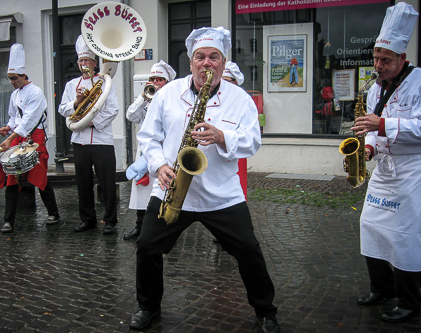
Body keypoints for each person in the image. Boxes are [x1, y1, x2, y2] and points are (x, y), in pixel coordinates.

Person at [129, 27, 279, 333]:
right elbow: (149, 137)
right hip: (171, 187)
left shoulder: (240, 99)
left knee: (248, 250)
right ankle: (148, 306)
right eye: (200, 57)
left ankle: (265, 311)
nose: (206, 63)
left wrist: (223, 136)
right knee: (147, 246)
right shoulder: (168, 94)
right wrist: (158, 166)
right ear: (191, 61)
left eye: (214, 57)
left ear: (222, 63)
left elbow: (253, 141)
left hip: (222, 194)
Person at [351, 2, 421, 323]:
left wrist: (381, 126)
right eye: (376, 58)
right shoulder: (374, 88)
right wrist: (366, 149)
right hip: (383, 171)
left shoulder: (418, 82)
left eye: (386, 60)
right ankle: (382, 288)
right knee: (370, 225)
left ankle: (410, 301)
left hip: (411, 172)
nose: (378, 65)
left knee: (405, 235)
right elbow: (370, 129)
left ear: (403, 59)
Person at [0, 43, 60, 233]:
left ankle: (53, 212)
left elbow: (29, 120)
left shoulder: (36, 93)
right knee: (12, 178)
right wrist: (8, 127)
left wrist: (10, 138)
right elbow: (16, 118)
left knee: (39, 177)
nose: (12, 82)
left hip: (35, 138)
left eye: (14, 78)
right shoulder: (15, 94)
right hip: (19, 138)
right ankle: (8, 220)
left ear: (23, 75)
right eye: (10, 79)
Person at [58, 35, 119, 235]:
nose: (84, 64)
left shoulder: (105, 82)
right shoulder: (71, 85)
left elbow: (113, 109)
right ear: (78, 63)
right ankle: (87, 219)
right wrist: (76, 103)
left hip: (102, 140)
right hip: (80, 141)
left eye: (88, 61)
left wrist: (92, 121)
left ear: (94, 63)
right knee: (83, 183)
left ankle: (110, 220)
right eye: (81, 61)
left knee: (107, 182)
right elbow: (62, 109)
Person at [124, 60, 176, 240]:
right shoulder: (147, 99)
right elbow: (131, 115)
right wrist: (143, 97)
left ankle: (162, 228)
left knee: (162, 191)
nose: (155, 82)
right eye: (152, 78)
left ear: (167, 82)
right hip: (145, 152)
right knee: (141, 191)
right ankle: (140, 227)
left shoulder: (172, 100)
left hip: (164, 153)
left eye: (159, 79)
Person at [222, 60, 248, 199]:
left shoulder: (242, 100)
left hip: (236, 150)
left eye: (227, 81)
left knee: (238, 182)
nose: (224, 84)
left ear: (235, 82)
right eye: (222, 80)